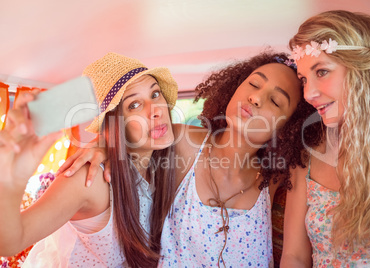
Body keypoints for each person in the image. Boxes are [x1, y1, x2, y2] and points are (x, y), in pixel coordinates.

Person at [59, 50, 322, 267]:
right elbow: (130, 129)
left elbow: (295, 258)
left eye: (275, 101)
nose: (255, 97)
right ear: (235, 86)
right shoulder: (185, 141)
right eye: (253, 84)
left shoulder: (280, 174)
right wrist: (102, 145)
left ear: (288, 127)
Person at [0, 52, 179, 267]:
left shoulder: (162, 168)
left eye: (155, 94)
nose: (156, 110)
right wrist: (10, 179)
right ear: (115, 124)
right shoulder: (91, 177)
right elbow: (10, 242)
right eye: (134, 105)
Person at [281, 10, 370, 267]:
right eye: (303, 79)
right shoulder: (307, 160)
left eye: (322, 72)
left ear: (361, 69)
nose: (308, 93)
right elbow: (294, 257)